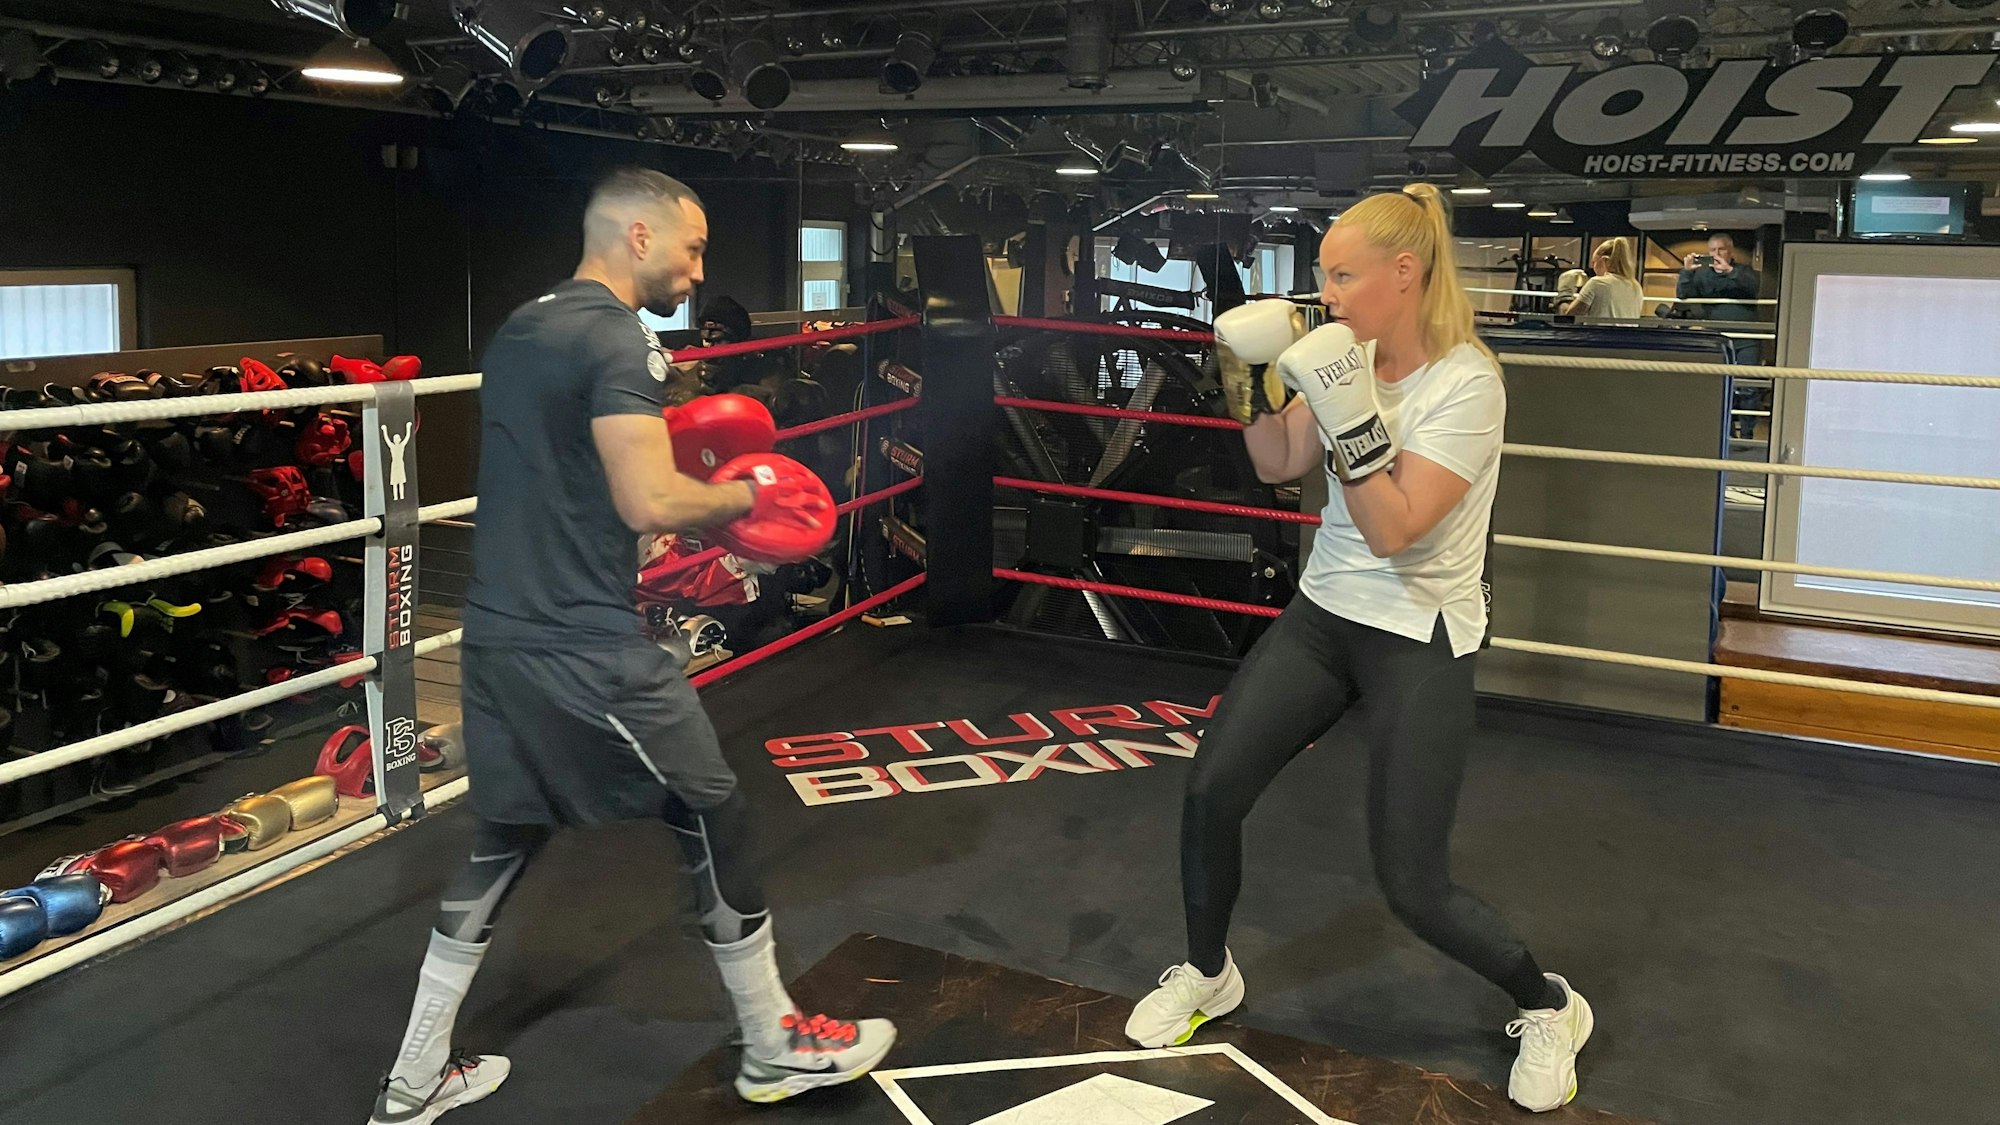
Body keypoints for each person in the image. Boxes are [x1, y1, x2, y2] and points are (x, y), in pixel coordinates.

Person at [367, 168, 894, 1125]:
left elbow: (569, 477)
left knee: (506, 836)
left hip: (497, 635)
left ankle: (412, 1079)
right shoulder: (620, 338)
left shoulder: (525, 325)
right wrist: (745, 496)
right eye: (691, 247)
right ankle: (773, 1046)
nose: (699, 270)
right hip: (583, 643)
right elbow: (649, 500)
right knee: (714, 810)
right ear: (638, 236)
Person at [1127, 182, 1592, 1114]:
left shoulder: (1469, 384)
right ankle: (1209, 972)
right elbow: (1274, 464)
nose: (1324, 292)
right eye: (1322, 275)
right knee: (1212, 791)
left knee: (1413, 884)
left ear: (1404, 272)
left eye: (1341, 274)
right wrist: (1249, 378)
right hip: (1324, 614)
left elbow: (1396, 529)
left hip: (1418, 633)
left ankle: (1550, 1004)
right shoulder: (1345, 355)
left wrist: (1349, 407)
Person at [1675, 232, 1760, 322]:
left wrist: (1729, 270)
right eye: (1713, 250)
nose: (1717, 253)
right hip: (1713, 327)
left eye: (1722, 249)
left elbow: (1754, 288)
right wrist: (1687, 272)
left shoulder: (1744, 270)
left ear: (1731, 251)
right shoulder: (1702, 274)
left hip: (1743, 327)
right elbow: (1683, 295)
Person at [1562, 237, 1644, 321]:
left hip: (1599, 334)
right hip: (1628, 334)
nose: (1593, 267)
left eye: (1594, 262)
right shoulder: (1636, 286)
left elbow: (1569, 316)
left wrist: (1564, 292)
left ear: (1604, 260)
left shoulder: (1597, 283)